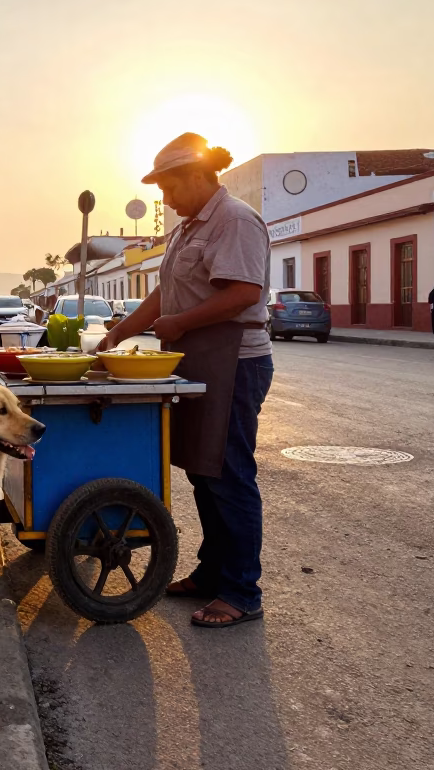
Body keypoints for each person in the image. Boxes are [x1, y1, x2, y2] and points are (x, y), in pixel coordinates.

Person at [100, 132, 272, 628]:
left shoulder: (235, 220)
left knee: (229, 473)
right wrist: (120, 331)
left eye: (170, 189)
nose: (166, 200)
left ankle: (241, 591)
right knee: (202, 470)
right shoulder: (187, 227)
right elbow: (164, 293)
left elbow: (242, 293)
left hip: (235, 360)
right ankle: (213, 571)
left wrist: (180, 324)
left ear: (197, 177)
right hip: (199, 357)